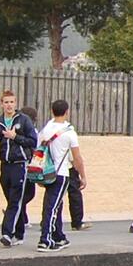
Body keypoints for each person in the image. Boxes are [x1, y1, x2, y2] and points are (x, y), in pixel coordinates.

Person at [0, 91, 37, 247]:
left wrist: (15, 137)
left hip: (20, 165)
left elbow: (33, 141)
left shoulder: (24, 121)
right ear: (1, 104)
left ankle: (6, 233)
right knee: (11, 200)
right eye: (6, 102)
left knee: (15, 200)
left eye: (12, 102)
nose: (9, 105)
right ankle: (19, 233)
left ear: (15, 103)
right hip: (5, 167)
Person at [32, 100, 82, 250]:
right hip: (61, 173)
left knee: (54, 204)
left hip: (47, 171)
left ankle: (59, 236)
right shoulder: (69, 132)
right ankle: (45, 239)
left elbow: (38, 150)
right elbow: (77, 157)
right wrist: (82, 175)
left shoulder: (45, 130)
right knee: (52, 207)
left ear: (52, 111)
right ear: (67, 112)